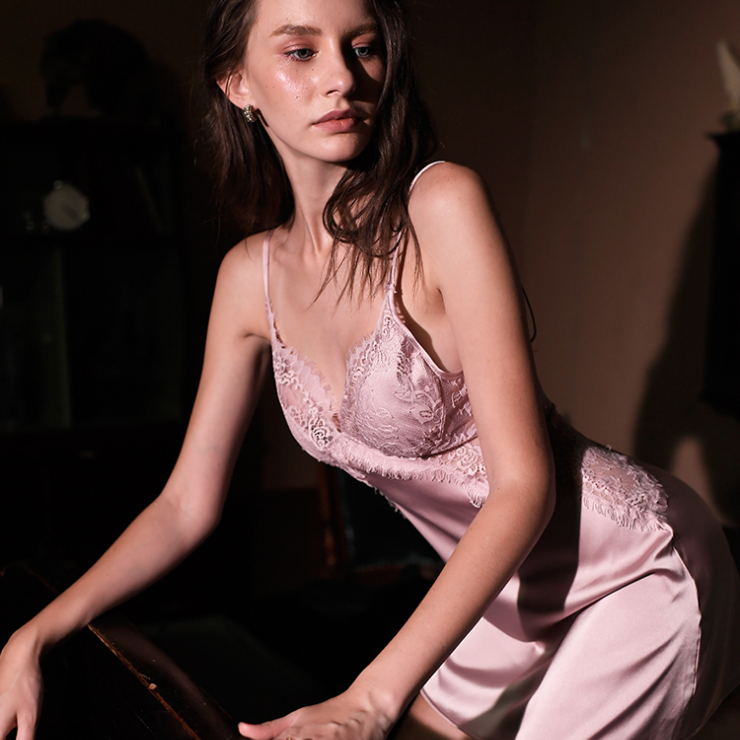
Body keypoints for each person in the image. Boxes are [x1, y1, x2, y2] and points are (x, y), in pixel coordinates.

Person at [2, 0, 740, 738]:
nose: (343, 78)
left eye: (362, 47)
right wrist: (36, 632)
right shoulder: (249, 279)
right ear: (236, 83)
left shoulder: (442, 204)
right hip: (501, 596)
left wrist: (371, 697)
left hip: (633, 563)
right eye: (300, 52)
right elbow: (184, 504)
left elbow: (523, 485)